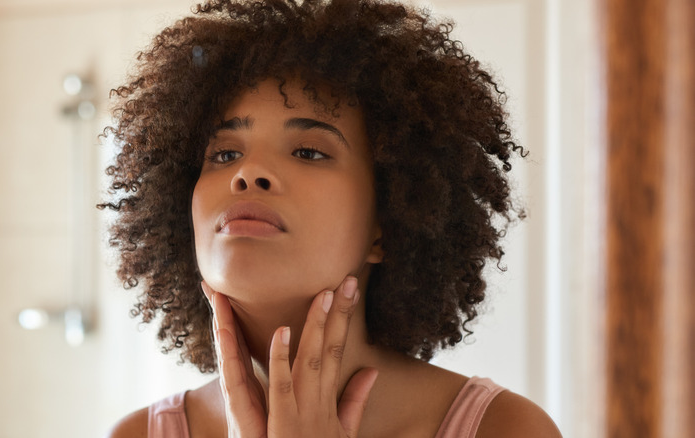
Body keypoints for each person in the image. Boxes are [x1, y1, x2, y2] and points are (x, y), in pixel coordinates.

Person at [102, 0, 562, 436]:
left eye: (308, 151)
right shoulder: (136, 435)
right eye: (223, 153)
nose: (248, 173)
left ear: (385, 223)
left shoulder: (504, 429)